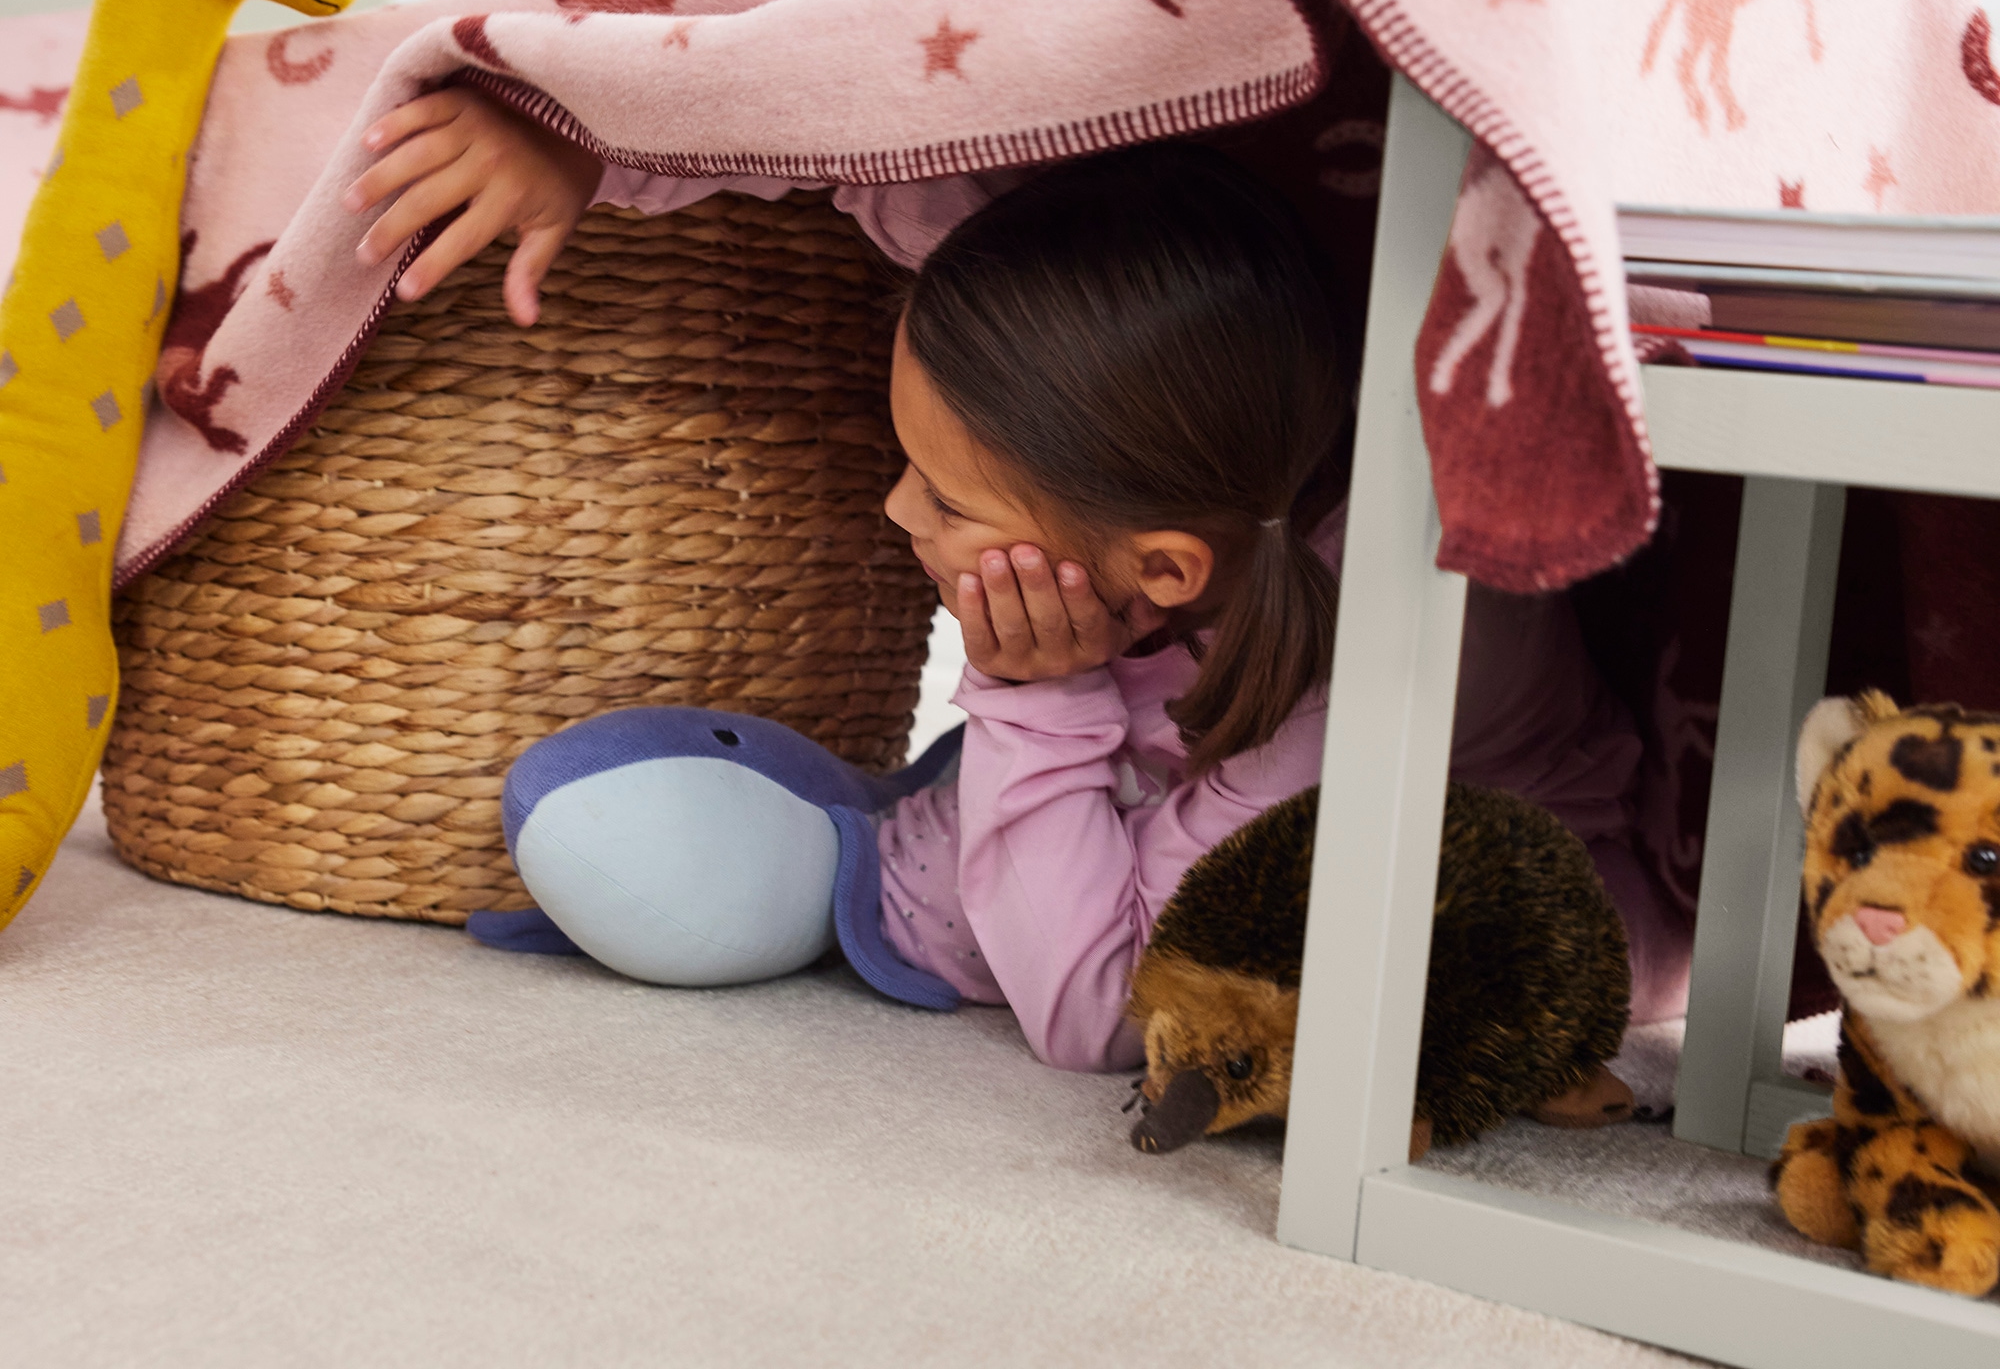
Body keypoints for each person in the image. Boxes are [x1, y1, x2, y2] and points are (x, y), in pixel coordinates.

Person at [346, 90, 1687, 1071]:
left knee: (1023, 914)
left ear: (1159, 571)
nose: (893, 508)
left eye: (943, 499)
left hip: (1459, 891)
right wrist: (582, 141)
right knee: (957, 829)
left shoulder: (1343, 704)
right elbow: (855, 142)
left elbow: (1100, 1006)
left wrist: (1033, 693)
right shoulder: (1102, 396)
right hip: (1177, 748)